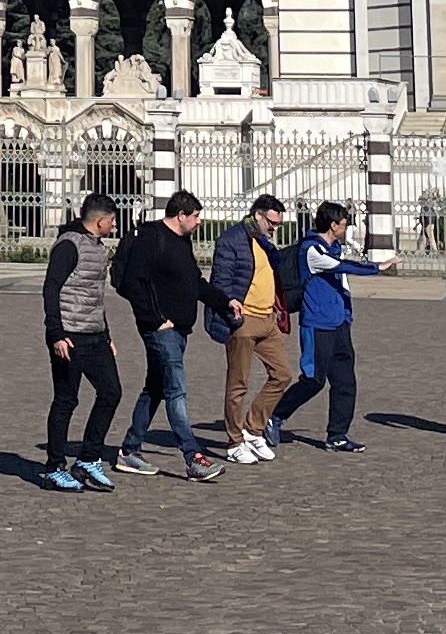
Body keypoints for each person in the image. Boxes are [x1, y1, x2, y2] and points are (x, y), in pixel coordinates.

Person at [113, 191, 218, 480]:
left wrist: (224, 302)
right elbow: (132, 282)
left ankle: (129, 450)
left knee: (155, 389)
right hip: (160, 330)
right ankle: (193, 457)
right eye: (195, 216)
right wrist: (155, 319)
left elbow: (194, 282)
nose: (199, 221)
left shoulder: (183, 241)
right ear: (180, 215)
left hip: (180, 329)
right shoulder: (151, 237)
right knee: (176, 390)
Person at [205, 193, 307, 464]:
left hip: (267, 319)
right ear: (257, 215)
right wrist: (230, 303)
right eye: (272, 223)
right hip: (243, 320)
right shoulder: (231, 240)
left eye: (279, 224)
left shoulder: (265, 242)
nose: (275, 228)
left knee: (282, 374)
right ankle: (234, 441)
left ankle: (253, 429)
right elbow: (221, 279)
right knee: (238, 384)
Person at [37, 190, 126, 489]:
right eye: (112, 220)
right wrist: (56, 334)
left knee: (111, 392)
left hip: (95, 335)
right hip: (69, 336)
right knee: (66, 400)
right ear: (100, 221)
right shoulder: (68, 246)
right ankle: (54, 467)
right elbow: (51, 289)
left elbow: (95, 297)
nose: (115, 225)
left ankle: (88, 459)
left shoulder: (97, 247)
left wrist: (106, 334)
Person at [294, 200, 377, 450]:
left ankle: (337, 434)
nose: (346, 227)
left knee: (345, 381)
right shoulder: (311, 249)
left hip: (340, 321)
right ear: (333, 225)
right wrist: (377, 267)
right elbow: (340, 267)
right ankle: (274, 416)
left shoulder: (335, 247)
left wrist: (347, 311)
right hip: (318, 322)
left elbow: (341, 281)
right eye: (343, 224)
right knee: (313, 380)